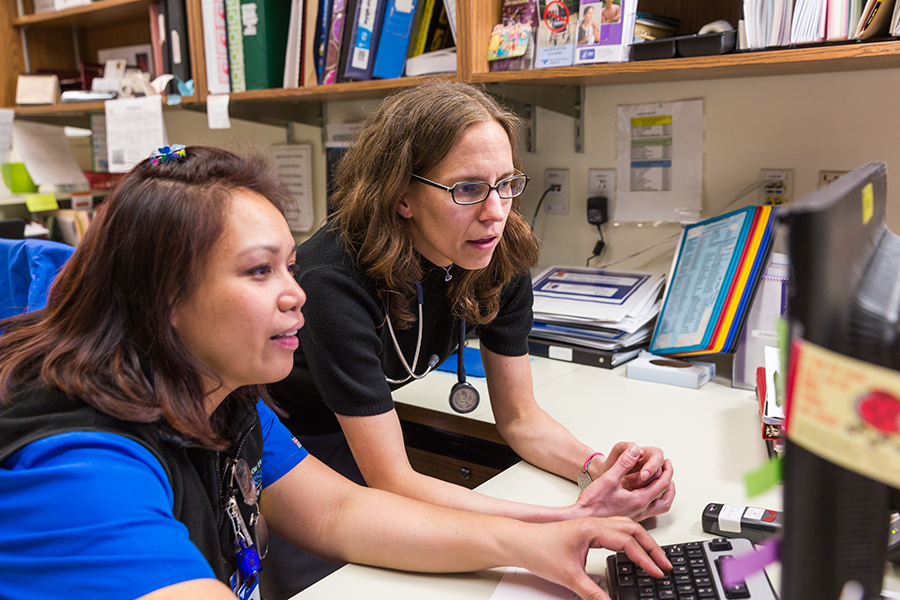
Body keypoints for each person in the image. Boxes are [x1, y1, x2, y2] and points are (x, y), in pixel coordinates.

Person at [0, 144, 672, 600]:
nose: (297, 293)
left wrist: (541, 541)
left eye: (290, 266)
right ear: (163, 298)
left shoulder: (211, 389)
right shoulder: (83, 469)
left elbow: (342, 511)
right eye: (259, 271)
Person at [266, 80, 676, 597]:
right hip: (296, 438)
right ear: (402, 196)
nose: (495, 211)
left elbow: (521, 417)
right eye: (467, 189)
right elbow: (393, 480)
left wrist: (599, 470)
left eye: (506, 183)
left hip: (373, 428)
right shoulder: (332, 282)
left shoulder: (495, 254)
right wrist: (569, 519)